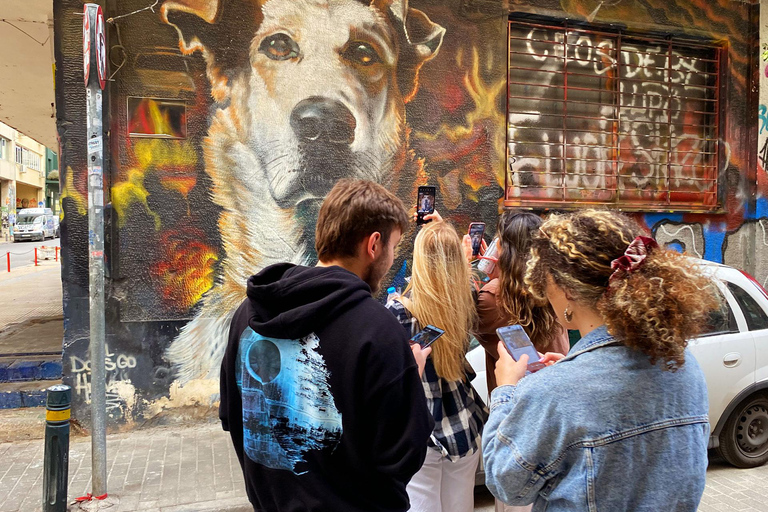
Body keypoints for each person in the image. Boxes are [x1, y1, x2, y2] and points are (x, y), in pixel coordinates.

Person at [219, 179, 435, 512]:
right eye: (394, 246)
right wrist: (410, 379)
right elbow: (403, 456)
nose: (392, 258)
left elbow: (235, 419)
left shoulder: (246, 314)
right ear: (373, 244)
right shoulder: (378, 330)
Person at [483, 210, 716, 511]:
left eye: (546, 278)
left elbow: (506, 483)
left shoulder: (554, 392)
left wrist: (506, 391)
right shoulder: (684, 366)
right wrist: (568, 373)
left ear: (565, 289)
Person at [386, 220, 487, 512]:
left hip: (421, 428)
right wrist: (447, 237)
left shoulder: (398, 312)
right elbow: (463, 272)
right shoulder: (467, 297)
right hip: (463, 421)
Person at [473, 211, 569, 393]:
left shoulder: (491, 298)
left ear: (500, 247)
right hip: (556, 389)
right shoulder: (555, 286)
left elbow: (457, 322)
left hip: (516, 403)